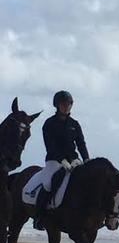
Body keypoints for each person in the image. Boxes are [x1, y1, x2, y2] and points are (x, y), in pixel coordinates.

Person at [33, 90, 89, 230]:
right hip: (54, 160)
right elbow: (50, 146)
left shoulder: (74, 124)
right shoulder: (49, 123)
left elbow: (81, 144)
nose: (67, 106)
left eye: (69, 104)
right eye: (64, 104)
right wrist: (62, 160)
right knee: (48, 183)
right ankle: (40, 216)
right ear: (57, 105)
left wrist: (86, 159)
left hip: (74, 160)